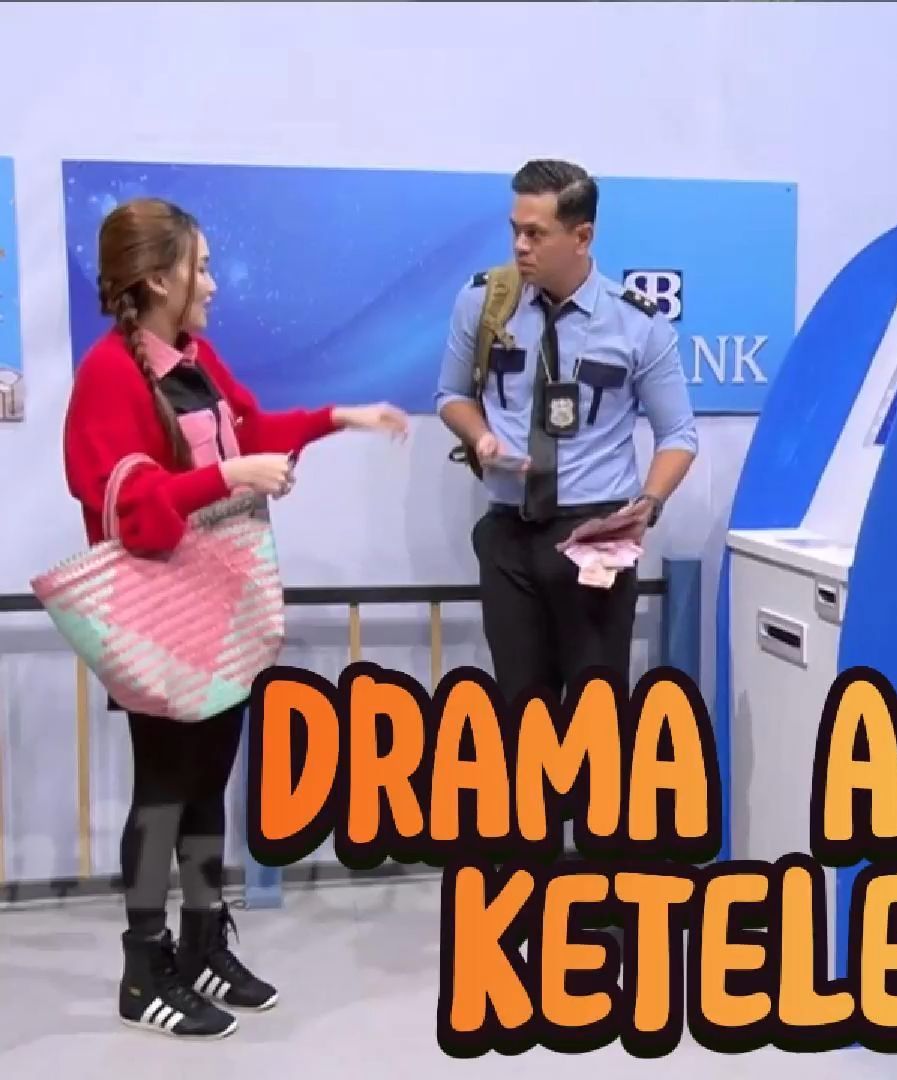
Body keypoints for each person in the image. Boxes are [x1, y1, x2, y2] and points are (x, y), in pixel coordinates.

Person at [62, 197, 408, 1039]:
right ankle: (144, 968)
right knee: (161, 792)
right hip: (159, 615)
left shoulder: (195, 357)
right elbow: (132, 512)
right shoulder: (109, 375)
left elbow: (251, 428)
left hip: (219, 605)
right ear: (158, 279)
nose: (213, 284)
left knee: (207, 785)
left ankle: (201, 940)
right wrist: (229, 477)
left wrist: (340, 419)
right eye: (202, 267)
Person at [434, 159, 697, 715]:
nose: (520, 246)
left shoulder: (638, 323)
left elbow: (678, 434)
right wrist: (481, 437)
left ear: (582, 237)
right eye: (515, 230)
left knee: (595, 714)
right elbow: (450, 396)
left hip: (597, 535)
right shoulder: (483, 303)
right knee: (522, 714)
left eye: (536, 234)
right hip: (509, 535)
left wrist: (648, 505)